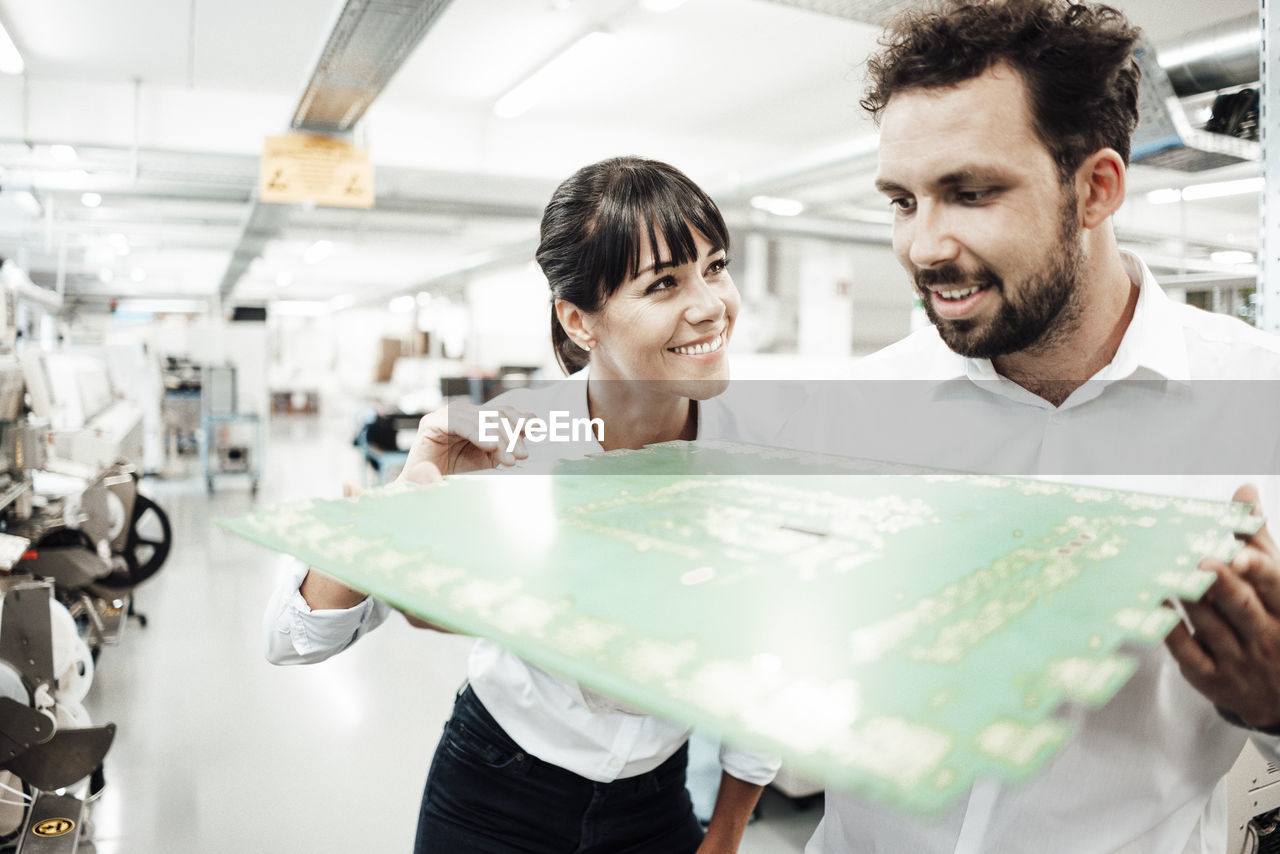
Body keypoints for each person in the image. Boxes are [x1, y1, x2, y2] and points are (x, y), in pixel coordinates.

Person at [799, 1, 1280, 852]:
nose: (923, 246)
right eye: (902, 201)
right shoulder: (856, 410)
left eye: (970, 193)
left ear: (1095, 188)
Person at [265, 156, 782, 854]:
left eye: (714, 266)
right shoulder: (507, 441)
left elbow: (769, 659)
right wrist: (397, 510)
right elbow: (295, 638)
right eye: (664, 282)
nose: (710, 304)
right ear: (579, 320)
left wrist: (724, 837)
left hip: (656, 801)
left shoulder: (757, 461)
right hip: (494, 795)